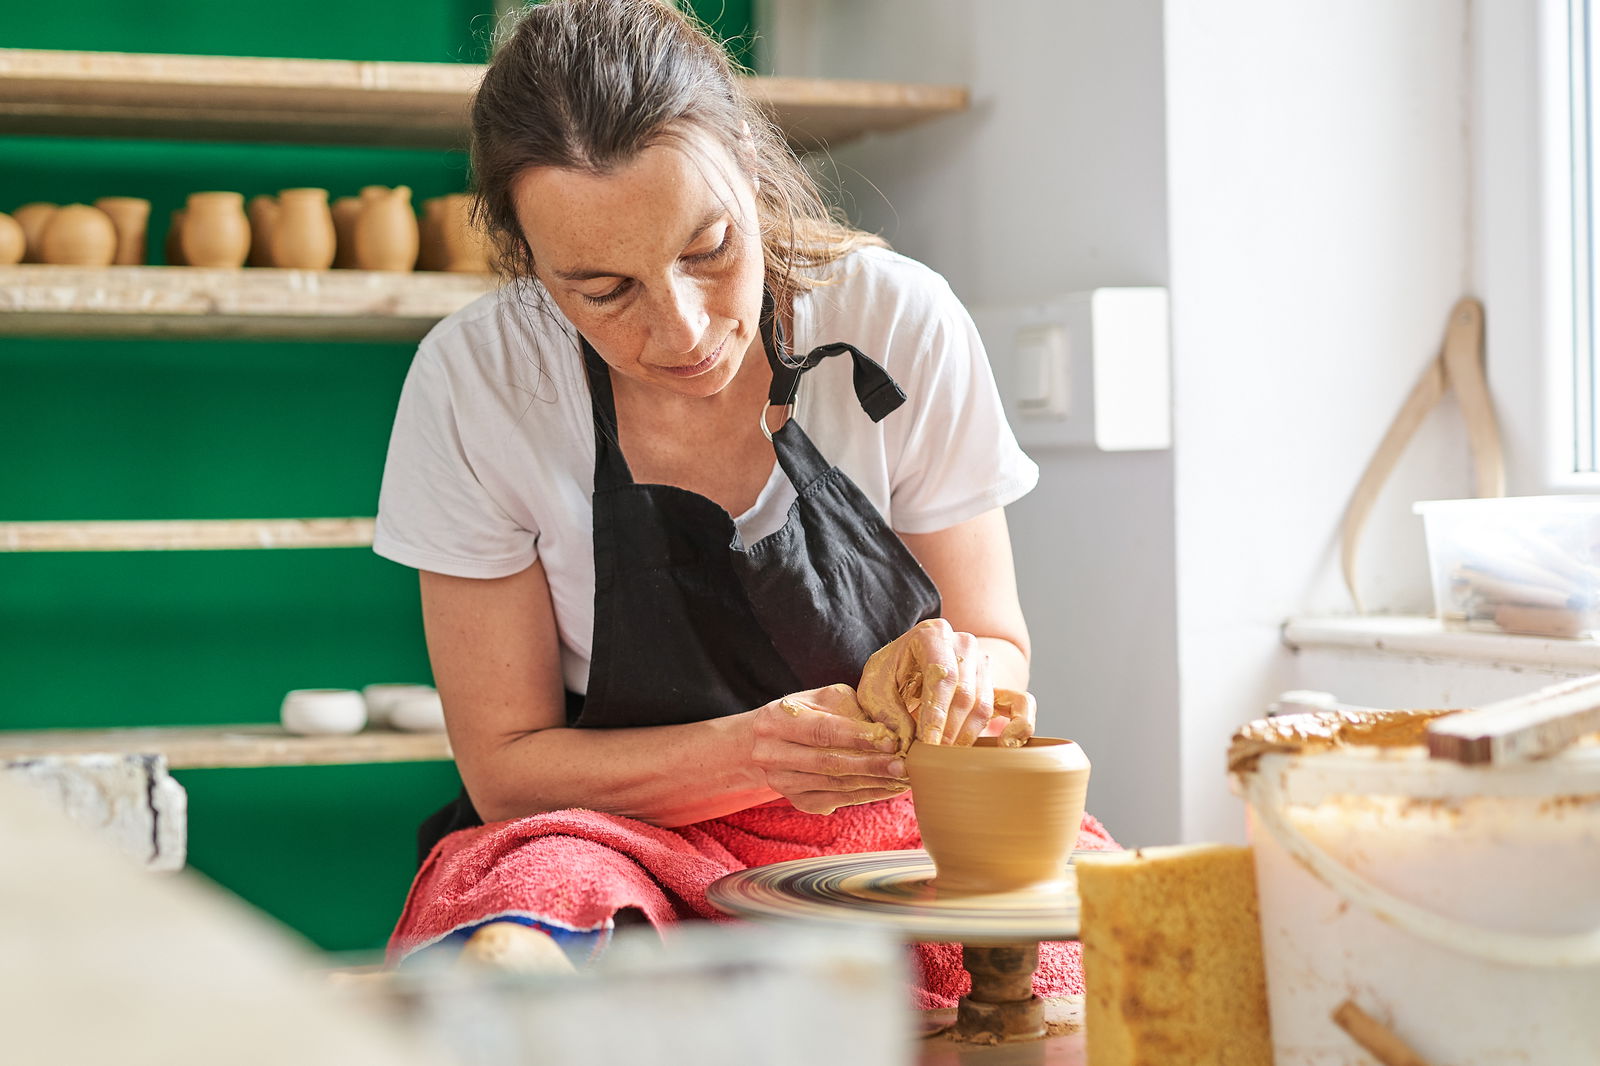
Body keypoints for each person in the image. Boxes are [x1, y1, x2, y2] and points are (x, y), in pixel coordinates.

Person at [374, 0, 1110, 992]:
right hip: (614, 830)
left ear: (750, 168)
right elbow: (506, 772)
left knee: (1095, 961)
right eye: (602, 290)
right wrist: (753, 755)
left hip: (888, 819)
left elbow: (999, 648)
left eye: (710, 248)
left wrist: (963, 674)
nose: (682, 329)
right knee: (530, 936)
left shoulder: (899, 319)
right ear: (529, 265)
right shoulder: (477, 380)